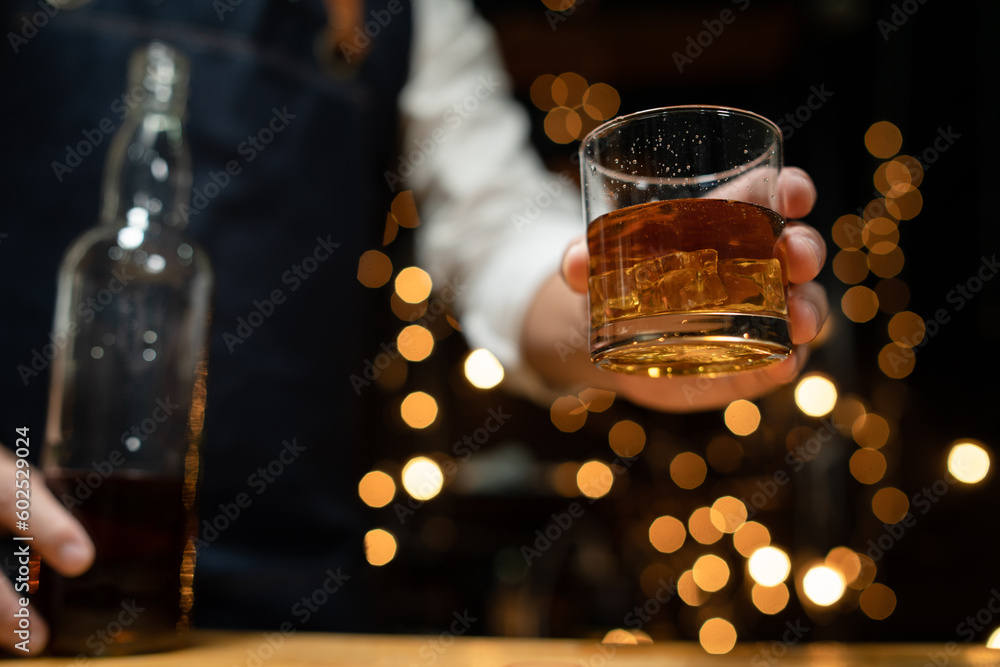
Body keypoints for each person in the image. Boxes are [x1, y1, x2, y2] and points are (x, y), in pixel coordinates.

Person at [0, 0, 827, 654]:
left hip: (295, 601)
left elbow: (499, 237)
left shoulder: (417, 12)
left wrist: (632, 326)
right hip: (24, 568)